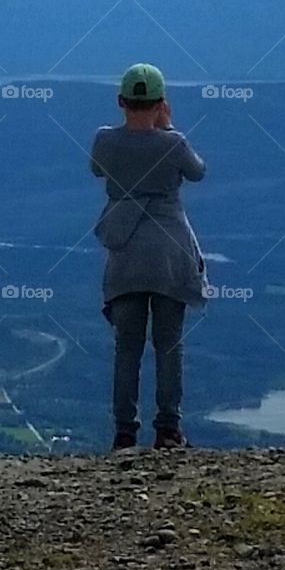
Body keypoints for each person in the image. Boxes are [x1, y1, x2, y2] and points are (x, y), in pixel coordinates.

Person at [90, 63, 208, 451]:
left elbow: (96, 169)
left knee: (127, 347)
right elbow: (197, 172)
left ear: (121, 101)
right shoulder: (171, 143)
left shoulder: (105, 141)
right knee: (168, 345)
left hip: (126, 254)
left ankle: (125, 432)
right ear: (161, 103)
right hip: (170, 254)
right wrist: (168, 128)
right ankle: (168, 429)